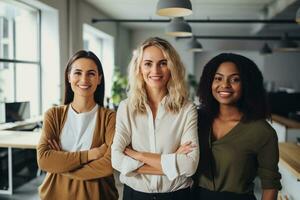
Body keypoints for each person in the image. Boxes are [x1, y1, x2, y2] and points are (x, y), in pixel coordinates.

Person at [111, 37, 199, 200]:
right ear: (139, 68)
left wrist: (138, 155)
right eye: (148, 63)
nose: (155, 71)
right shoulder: (126, 107)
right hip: (135, 195)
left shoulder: (187, 109)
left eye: (163, 63)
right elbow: (116, 160)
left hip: (178, 196)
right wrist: (172, 162)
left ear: (172, 67)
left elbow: (190, 165)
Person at [194, 53, 281, 200]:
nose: (225, 85)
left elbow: (270, 185)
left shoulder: (262, 132)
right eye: (218, 78)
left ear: (247, 84)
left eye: (235, 79)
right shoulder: (196, 120)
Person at [37, 50, 118, 200]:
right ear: (68, 76)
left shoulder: (109, 117)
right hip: (54, 195)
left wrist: (61, 164)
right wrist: (89, 155)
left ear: (99, 79)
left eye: (91, 73)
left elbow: (109, 164)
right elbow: (44, 160)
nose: (84, 79)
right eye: (78, 73)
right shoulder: (54, 115)